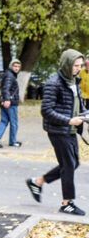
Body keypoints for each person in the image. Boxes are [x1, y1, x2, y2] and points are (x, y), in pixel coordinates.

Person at [26, 49, 86, 216]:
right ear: (67, 64)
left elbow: (77, 105)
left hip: (71, 129)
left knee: (74, 163)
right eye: (75, 65)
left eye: (80, 66)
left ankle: (37, 182)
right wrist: (68, 120)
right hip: (58, 130)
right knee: (68, 165)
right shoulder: (54, 83)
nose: (78, 69)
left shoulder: (74, 81)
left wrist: (85, 115)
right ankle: (67, 203)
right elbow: (46, 110)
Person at [0, 59, 22, 148]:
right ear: (11, 66)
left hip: (4, 101)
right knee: (14, 122)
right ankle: (13, 141)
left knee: (4, 121)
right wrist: (7, 99)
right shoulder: (10, 76)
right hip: (10, 103)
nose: (17, 68)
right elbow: (6, 88)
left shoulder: (8, 74)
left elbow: (4, 88)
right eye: (15, 66)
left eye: (18, 66)